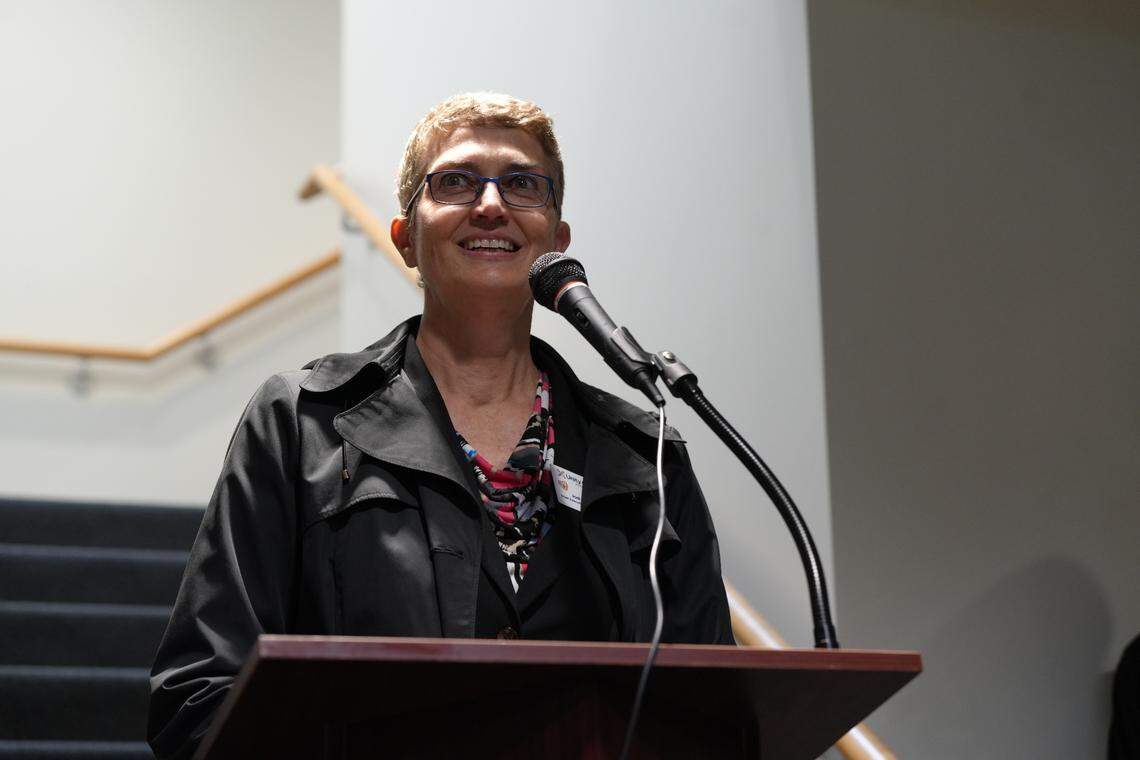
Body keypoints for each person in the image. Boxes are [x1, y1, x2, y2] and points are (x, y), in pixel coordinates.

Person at [147, 92, 733, 759]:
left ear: (557, 242)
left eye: (522, 184)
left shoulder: (643, 455)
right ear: (405, 239)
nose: (491, 204)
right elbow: (199, 694)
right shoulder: (301, 422)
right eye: (455, 182)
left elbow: (714, 714)